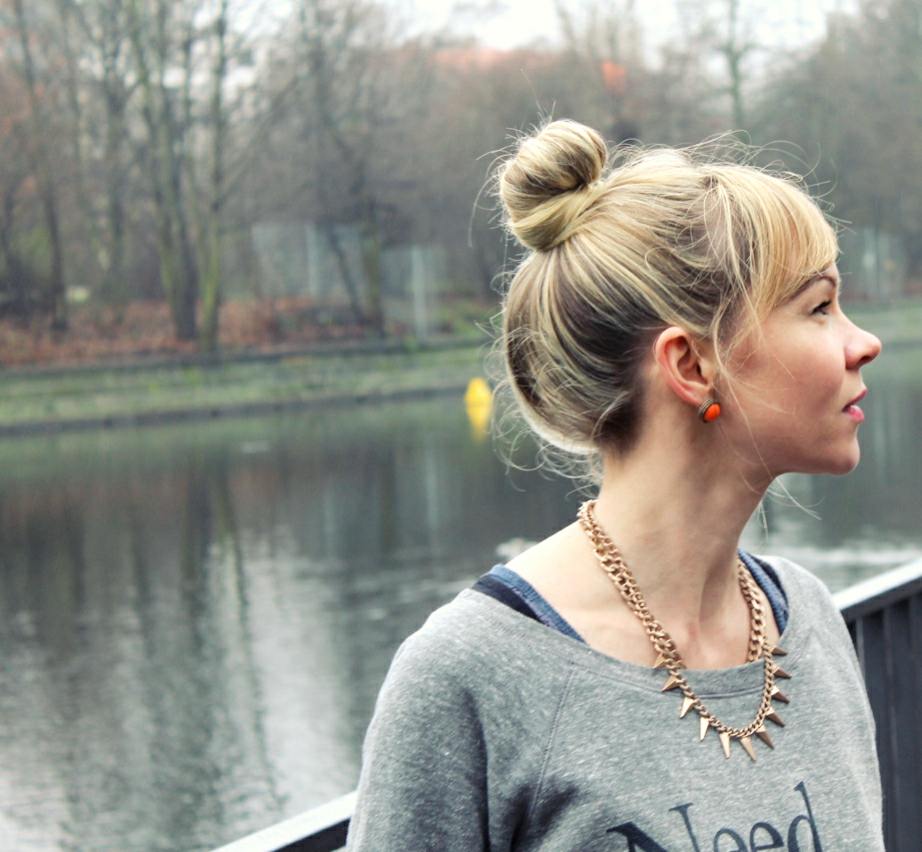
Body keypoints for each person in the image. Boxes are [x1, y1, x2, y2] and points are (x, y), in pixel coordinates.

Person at [347, 119, 884, 851]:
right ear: (692, 366)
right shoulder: (471, 676)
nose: (864, 342)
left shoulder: (809, 621)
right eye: (818, 307)